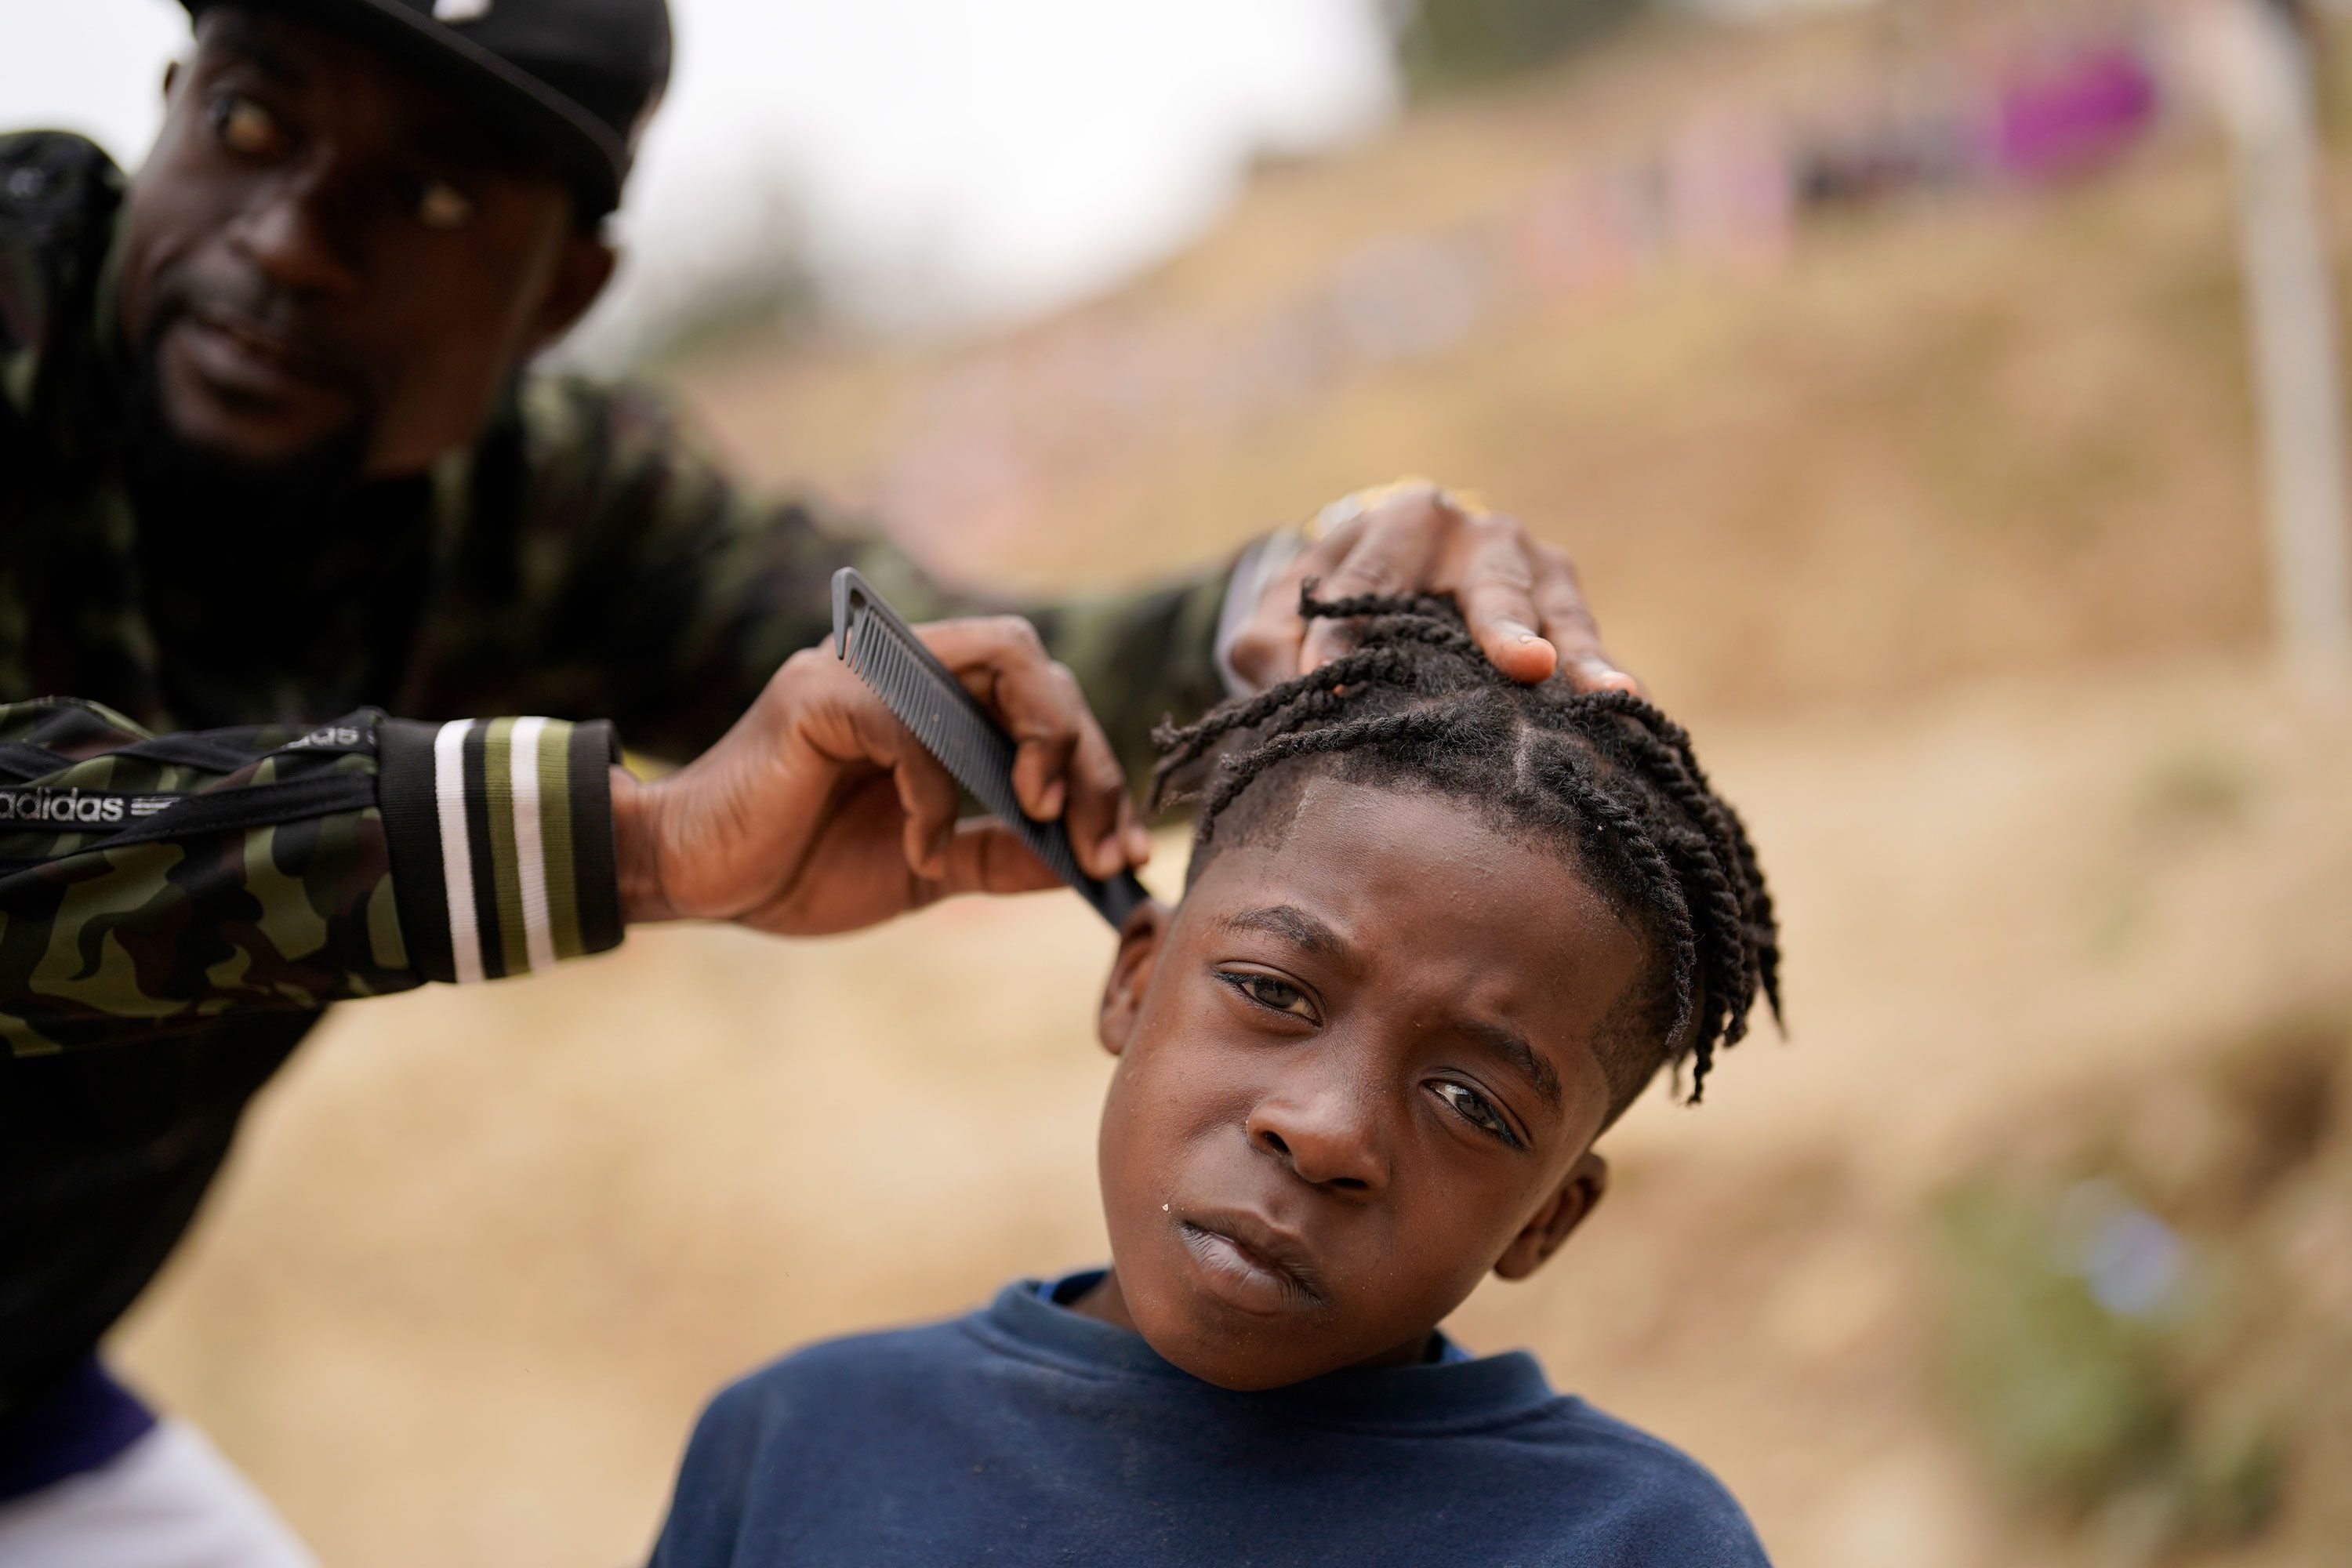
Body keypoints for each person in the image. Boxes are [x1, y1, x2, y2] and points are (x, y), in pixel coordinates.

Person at [0, 0, 1642, 1554]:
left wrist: (1276, 622)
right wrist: (637, 846)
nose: (287, 241)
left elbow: (943, 668)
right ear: (161, 108)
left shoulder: (539, 508)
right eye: (248, 120)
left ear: (560, 293)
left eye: (423, 197)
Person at [649, 592, 1784, 1566]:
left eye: (1470, 1103)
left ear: (1549, 1218)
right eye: (1275, 992)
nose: (1326, 1132)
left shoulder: (1631, 1541)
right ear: (1135, 984)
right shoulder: (801, 1441)